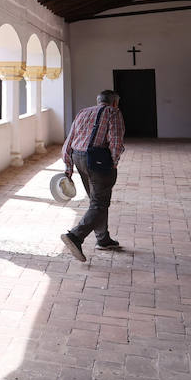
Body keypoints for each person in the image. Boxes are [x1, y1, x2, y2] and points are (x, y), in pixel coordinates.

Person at [59, 90, 126, 262]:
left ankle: (103, 239)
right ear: (115, 103)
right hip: (98, 161)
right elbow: (116, 141)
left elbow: (69, 140)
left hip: (78, 158)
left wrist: (68, 167)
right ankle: (75, 236)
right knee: (99, 203)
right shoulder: (113, 113)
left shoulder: (83, 112)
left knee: (96, 201)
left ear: (98, 101)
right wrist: (114, 162)